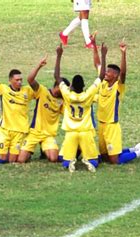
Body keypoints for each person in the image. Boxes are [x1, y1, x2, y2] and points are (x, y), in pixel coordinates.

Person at [91, 36, 140, 164]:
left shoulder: (118, 87)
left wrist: (123, 53)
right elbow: (97, 64)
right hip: (101, 124)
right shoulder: (103, 82)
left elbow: (123, 74)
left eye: (108, 72)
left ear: (115, 75)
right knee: (104, 158)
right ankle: (134, 148)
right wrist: (94, 46)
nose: (105, 74)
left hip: (112, 126)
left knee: (114, 160)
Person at [55, 43, 106, 172]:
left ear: (71, 86)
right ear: (83, 86)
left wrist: (59, 56)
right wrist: (104, 55)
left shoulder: (67, 95)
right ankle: (87, 160)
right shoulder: (88, 95)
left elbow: (57, 76)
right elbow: (101, 76)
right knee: (95, 160)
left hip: (71, 133)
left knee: (64, 160)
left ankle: (71, 161)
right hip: (85, 132)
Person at [17, 54, 69, 163]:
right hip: (35, 132)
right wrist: (39, 66)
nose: (66, 91)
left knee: (53, 158)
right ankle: (30, 151)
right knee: (21, 160)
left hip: (48, 135)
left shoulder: (62, 101)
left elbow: (68, 114)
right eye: (64, 88)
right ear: (58, 86)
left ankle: (44, 149)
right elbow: (30, 80)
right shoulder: (43, 91)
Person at [0, 51, 36, 163]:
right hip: (5, 129)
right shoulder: (4, 89)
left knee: (13, 160)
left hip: (20, 130)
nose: (19, 82)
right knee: (2, 159)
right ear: (10, 80)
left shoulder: (27, 91)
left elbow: (40, 95)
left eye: (20, 80)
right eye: (17, 80)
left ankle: (24, 152)